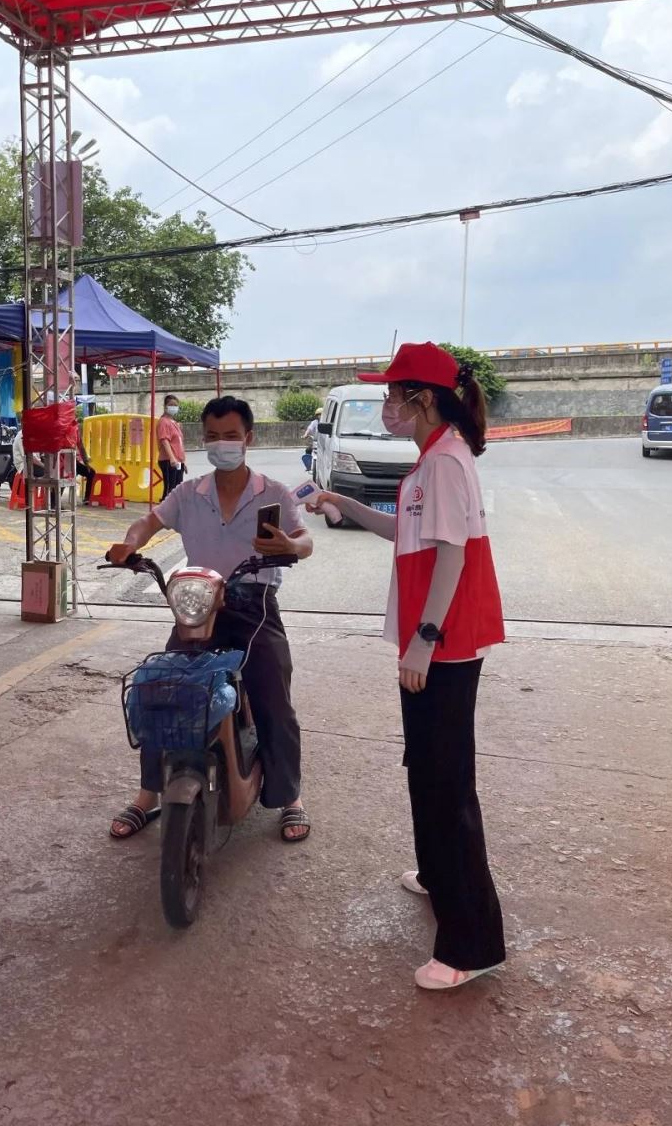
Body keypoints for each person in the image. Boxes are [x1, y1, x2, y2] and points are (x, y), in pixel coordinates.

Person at [310, 343, 506, 991]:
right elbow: (406, 532)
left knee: (447, 784)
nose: (386, 404)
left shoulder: (446, 462)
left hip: (444, 643)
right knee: (426, 764)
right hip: (432, 641)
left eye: (393, 395)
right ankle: (437, 875)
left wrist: (425, 638)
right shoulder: (433, 458)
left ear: (422, 400)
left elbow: (452, 554)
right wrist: (342, 503)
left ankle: (472, 944)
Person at [108, 395, 313, 843]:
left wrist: (290, 547)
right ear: (205, 439)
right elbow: (148, 523)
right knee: (161, 690)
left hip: (254, 604)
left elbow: (305, 540)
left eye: (232, 436)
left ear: (248, 438)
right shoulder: (190, 493)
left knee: (273, 695)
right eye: (214, 436)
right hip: (198, 602)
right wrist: (129, 544)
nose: (223, 444)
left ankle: (290, 796)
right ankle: (148, 794)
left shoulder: (273, 492)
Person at [157, 393, 187, 499]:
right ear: (165, 406)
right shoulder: (163, 422)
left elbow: (179, 443)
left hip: (178, 460)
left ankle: (174, 507)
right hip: (168, 460)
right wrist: (172, 458)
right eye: (171, 405)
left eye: (176, 405)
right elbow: (164, 440)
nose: (174, 407)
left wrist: (183, 461)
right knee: (170, 488)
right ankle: (165, 506)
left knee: (178, 486)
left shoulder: (174, 423)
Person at [301, 406, 322, 472]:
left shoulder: (327, 422)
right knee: (308, 450)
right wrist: (305, 435)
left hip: (325, 442)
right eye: (319, 415)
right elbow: (309, 429)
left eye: (321, 414)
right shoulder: (314, 422)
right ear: (316, 416)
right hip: (316, 441)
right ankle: (308, 466)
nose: (320, 416)